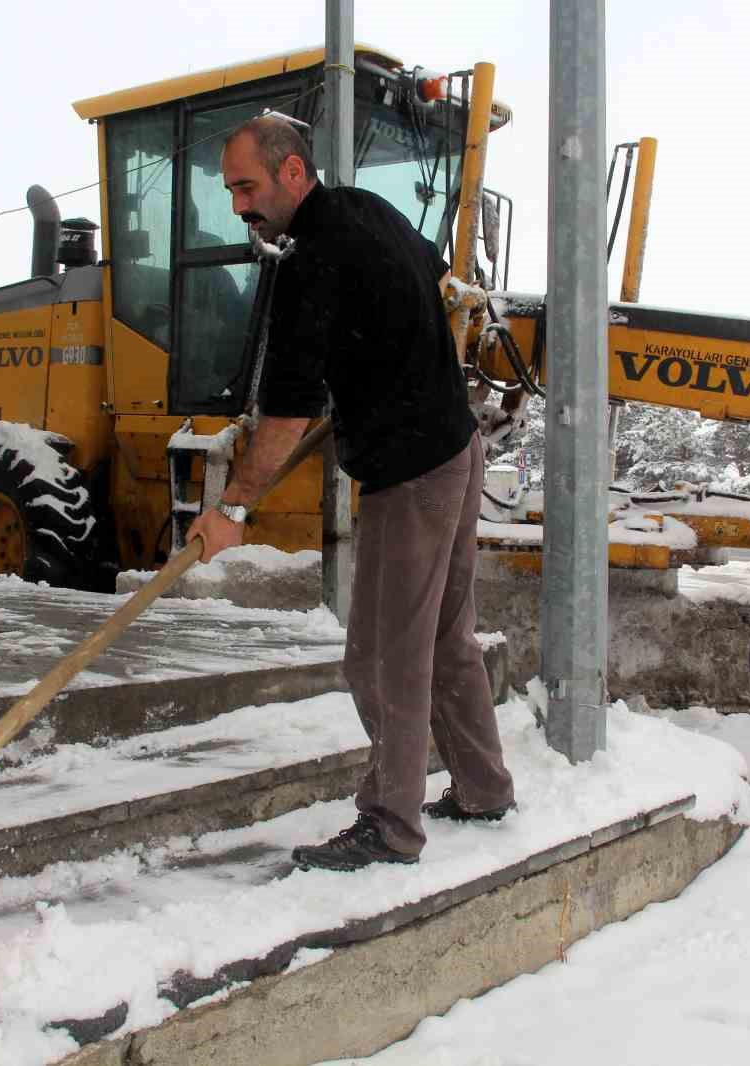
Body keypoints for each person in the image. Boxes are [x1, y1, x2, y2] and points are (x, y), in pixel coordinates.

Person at [187, 115, 515, 872]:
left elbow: (285, 410)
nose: (240, 205)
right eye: (232, 188)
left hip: (412, 471)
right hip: (455, 444)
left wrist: (234, 507)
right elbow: (429, 282)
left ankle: (390, 828)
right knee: (443, 637)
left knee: (380, 655)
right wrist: (373, 364)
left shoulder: (310, 262)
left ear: (294, 172)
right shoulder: (369, 209)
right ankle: (483, 789)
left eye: (248, 186)